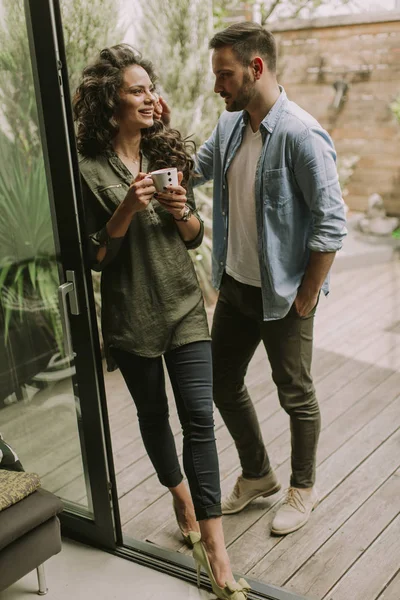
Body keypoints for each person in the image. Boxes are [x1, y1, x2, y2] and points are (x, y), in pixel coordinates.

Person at [73, 44, 249, 600]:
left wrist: (182, 213)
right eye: (137, 90)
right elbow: (97, 260)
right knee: (154, 415)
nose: (150, 98)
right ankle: (178, 494)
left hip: (184, 307)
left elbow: (195, 237)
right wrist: (125, 208)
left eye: (152, 88)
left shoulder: (167, 151)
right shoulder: (87, 170)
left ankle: (218, 555)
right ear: (111, 102)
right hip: (132, 317)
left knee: (200, 417)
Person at [192, 22, 347, 536]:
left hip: (285, 295)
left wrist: (307, 293)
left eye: (225, 75)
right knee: (221, 381)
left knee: (295, 394)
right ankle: (259, 473)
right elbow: (195, 169)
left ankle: (302, 489)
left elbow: (331, 222)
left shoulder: (302, 135)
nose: (219, 86)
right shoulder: (230, 126)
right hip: (236, 286)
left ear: (255, 68)